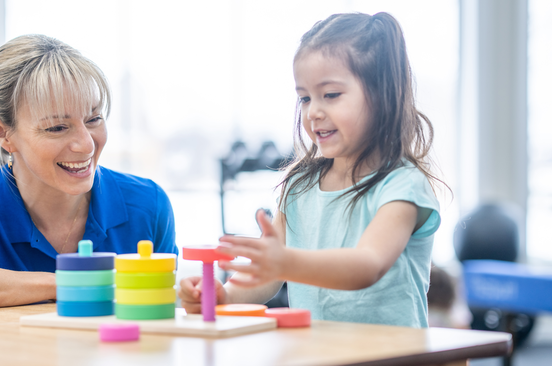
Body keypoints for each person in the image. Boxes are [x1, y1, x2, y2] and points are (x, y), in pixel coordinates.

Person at [179, 12, 446, 327]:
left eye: (330, 95)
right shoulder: (299, 186)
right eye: (305, 98)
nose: (313, 112)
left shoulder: (402, 185)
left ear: (381, 94)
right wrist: (223, 294)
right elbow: (270, 273)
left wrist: (285, 261)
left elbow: (367, 265)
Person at [0, 35, 177, 311]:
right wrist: (67, 284)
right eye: (57, 128)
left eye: (93, 119)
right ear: (3, 133)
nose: (86, 144)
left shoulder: (147, 205)